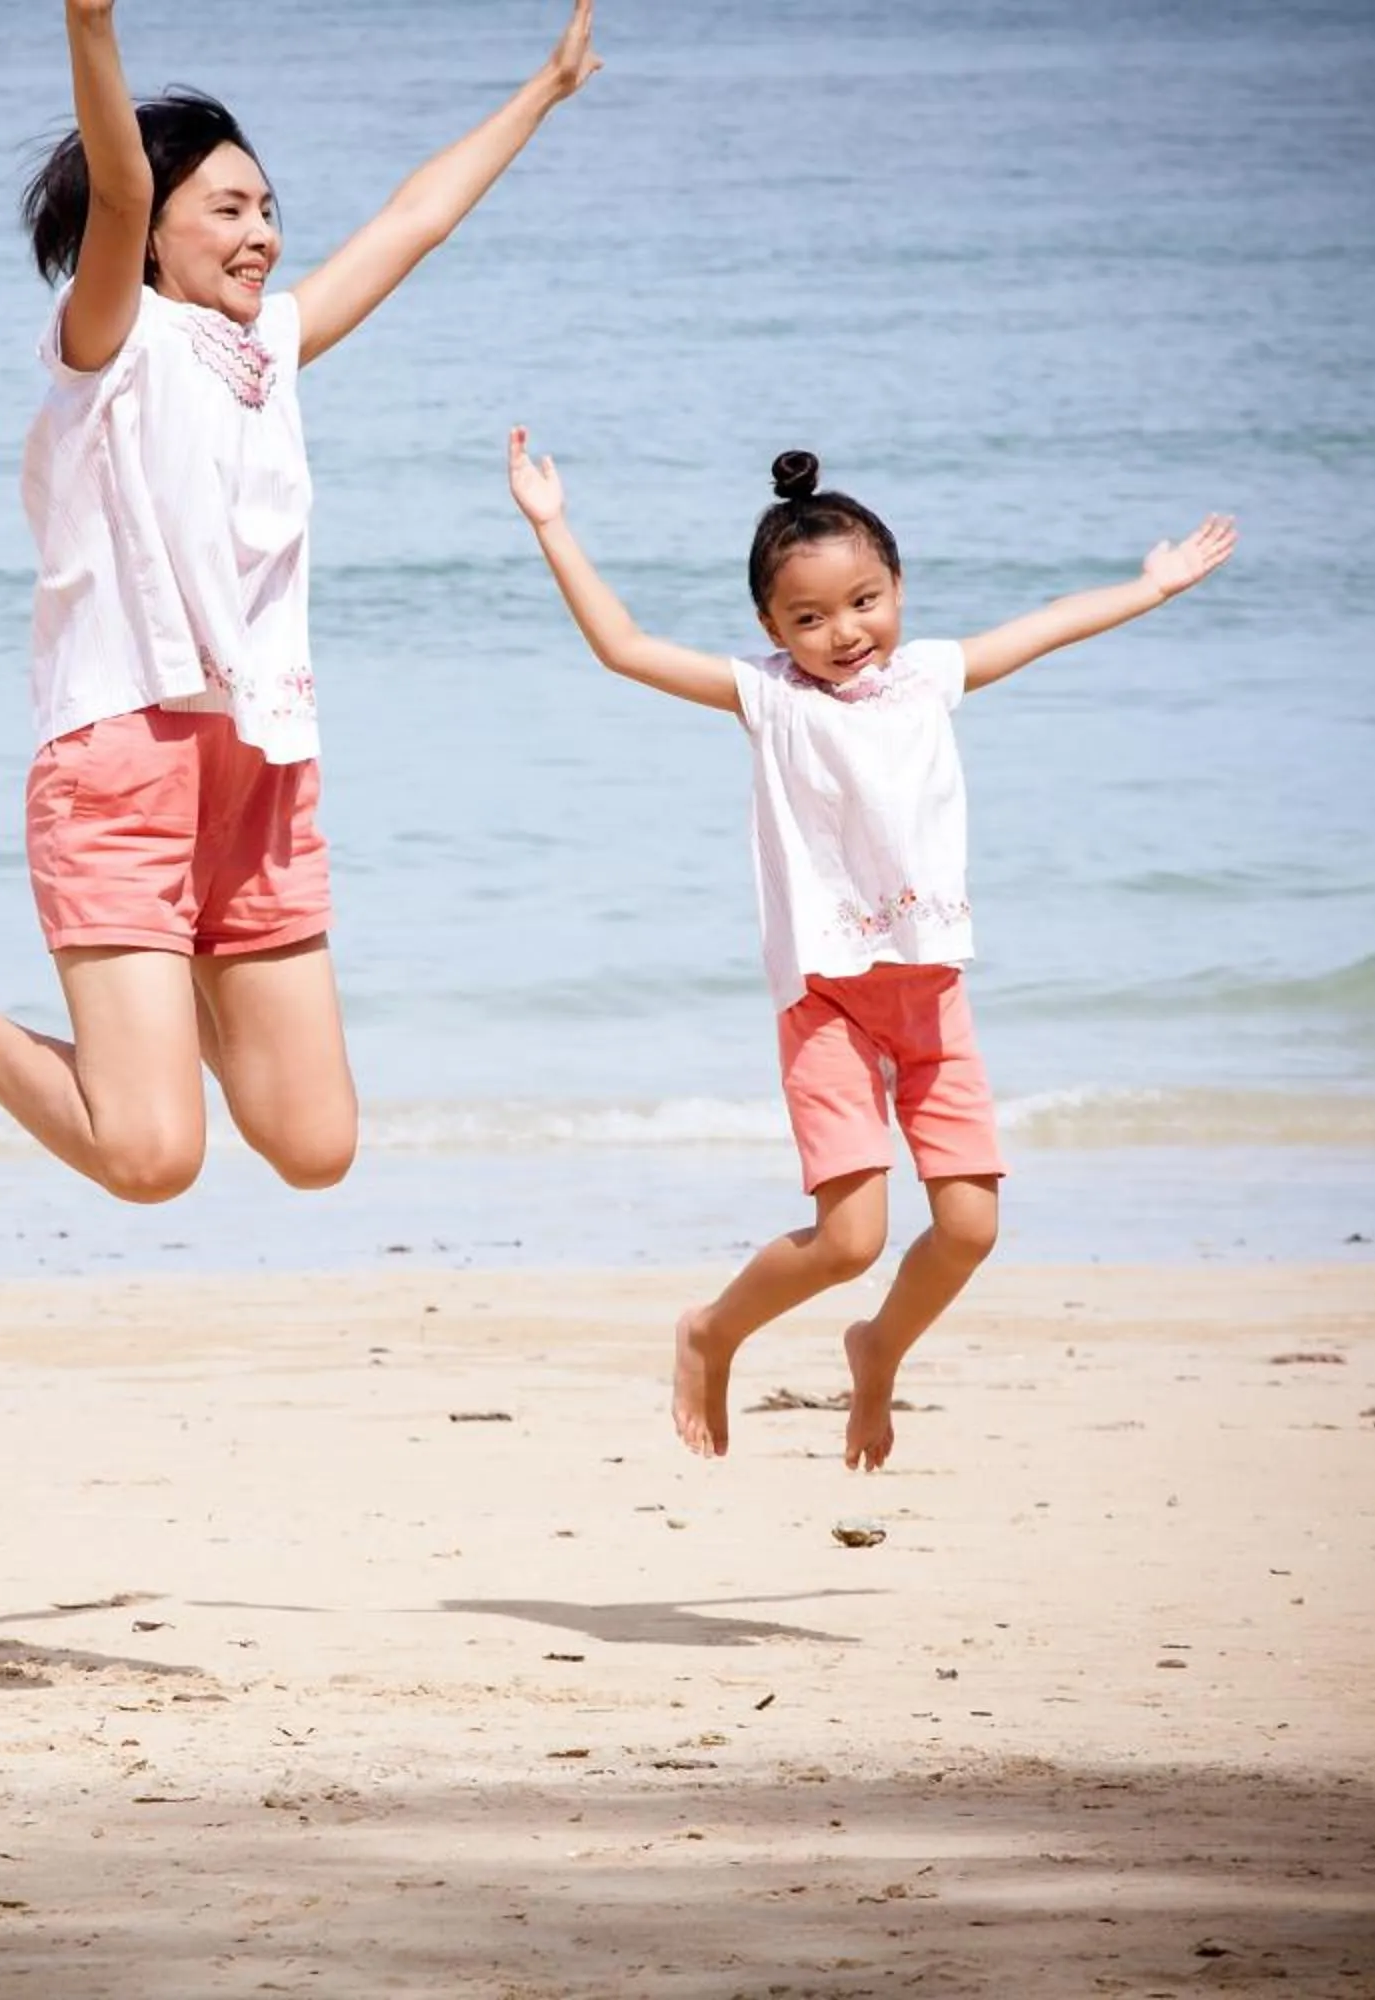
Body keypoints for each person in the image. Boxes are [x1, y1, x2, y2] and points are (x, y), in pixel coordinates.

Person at [0, 0, 601, 1203]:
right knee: (154, 1159)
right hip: (122, 758)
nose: (262, 235)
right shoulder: (110, 346)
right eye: (228, 210)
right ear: (149, 239)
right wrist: (92, 26)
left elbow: (417, 221)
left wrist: (544, 92)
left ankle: (171, 990)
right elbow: (122, 190)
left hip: (262, 764)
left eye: (267, 209)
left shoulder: (273, 351)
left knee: (313, 1144)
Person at [505, 431, 1237, 1468]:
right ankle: (710, 1330)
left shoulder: (930, 675)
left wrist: (1150, 586)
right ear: (770, 627)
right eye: (807, 617)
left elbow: (1042, 627)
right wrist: (551, 523)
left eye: (864, 601)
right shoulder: (768, 697)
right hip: (829, 1000)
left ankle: (878, 1354)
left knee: (973, 1228)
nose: (843, 632)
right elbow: (623, 647)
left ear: (897, 588)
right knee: (848, 1241)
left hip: (932, 991)